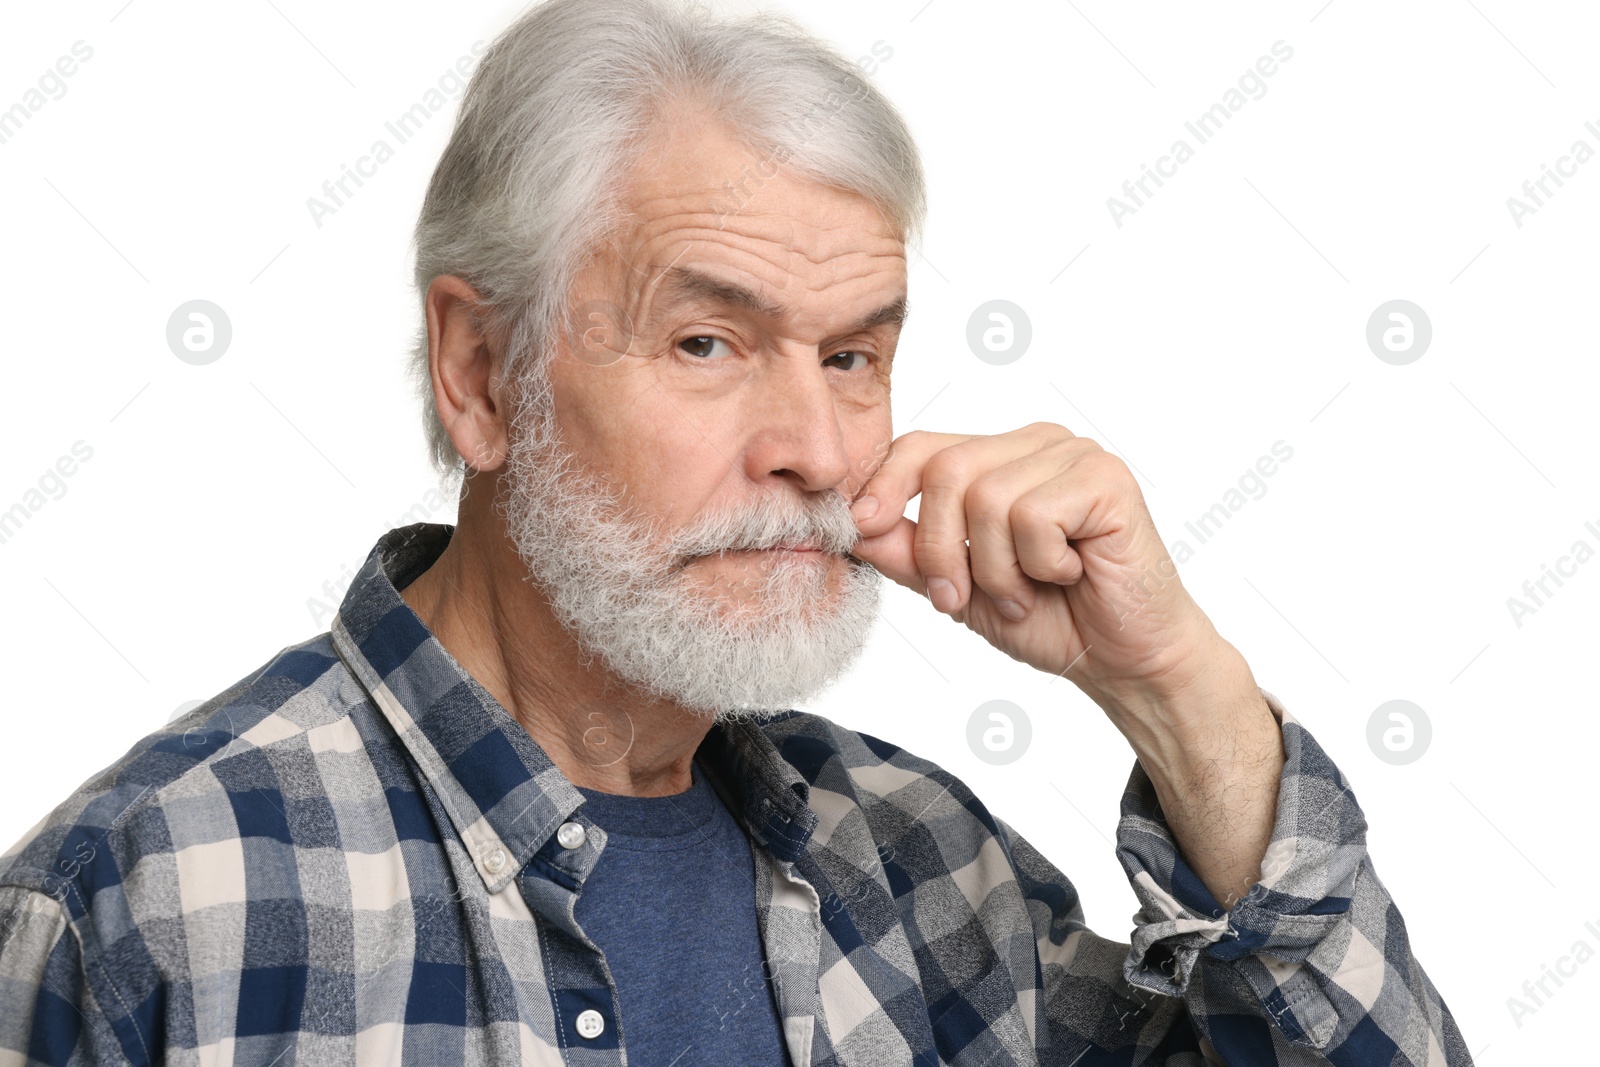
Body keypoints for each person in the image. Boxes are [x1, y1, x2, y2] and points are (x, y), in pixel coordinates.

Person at [0, 0, 1470, 1063]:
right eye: (708, 343)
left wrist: (1177, 691)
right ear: (478, 375)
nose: (819, 451)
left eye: (851, 356)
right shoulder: (146, 904)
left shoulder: (925, 876)